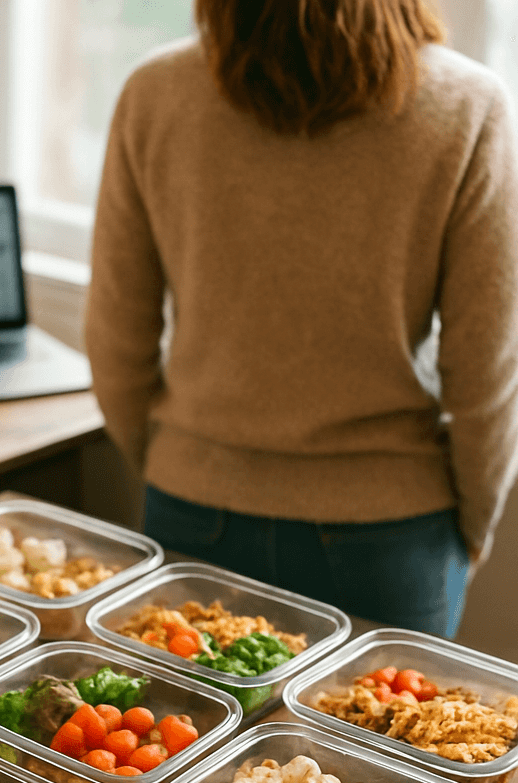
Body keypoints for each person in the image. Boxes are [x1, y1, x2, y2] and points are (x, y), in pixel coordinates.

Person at [84, 0, 518, 638]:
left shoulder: (155, 92)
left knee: (189, 738)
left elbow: (116, 335)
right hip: (390, 535)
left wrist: (183, 460)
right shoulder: (468, 104)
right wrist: (472, 526)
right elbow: (488, 369)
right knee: (373, 741)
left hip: (193, 509)